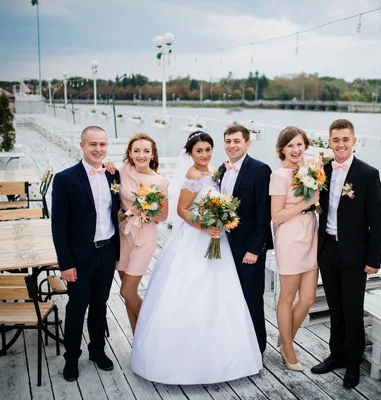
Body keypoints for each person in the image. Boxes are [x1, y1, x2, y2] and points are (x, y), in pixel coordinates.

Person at [131, 131, 262, 384]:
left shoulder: (215, 171)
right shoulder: (191, 175)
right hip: (196, 238)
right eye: (199, 151)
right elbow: (181, 210)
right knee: (191, 291)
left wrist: (220, 221)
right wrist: (205, 226)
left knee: (221, 295)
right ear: (190, 154)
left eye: (208, 149)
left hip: (217, 239)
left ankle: (228, 357)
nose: (204, 154)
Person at [310, 119, 381, 389]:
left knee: (353, 310)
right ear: (328, 142)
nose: (340, 145)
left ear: (355, 141)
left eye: (345, 139)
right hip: (328, 247)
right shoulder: (322, 171)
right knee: (335, 308)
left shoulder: (368, 174)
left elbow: (378, 221)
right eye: (335, 140)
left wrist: (373, 259)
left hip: (354, 253)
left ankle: (353, 363)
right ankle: (336, 355)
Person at [51, 125, 121, 382]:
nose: (98, 149)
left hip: (107, 251)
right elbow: (58, 225)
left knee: (100, 305)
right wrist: (66, 264)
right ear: (82, 145)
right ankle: (71, 357)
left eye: (102, 144)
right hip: (80, 257)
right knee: (77, 307)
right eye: (93, 144)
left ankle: (97, 351)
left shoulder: (113, 176)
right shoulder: (65, 178)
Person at [217, 124, 273, 354]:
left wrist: (255, 250)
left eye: (237, 141)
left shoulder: (260, 170)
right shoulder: (220, 169)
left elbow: (264, 213)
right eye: (228, 141)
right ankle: (234, 345)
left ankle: (257, 349)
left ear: (247, 143)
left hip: (248, 249)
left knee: (252, 299)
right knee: (228, 297)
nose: (232, 145)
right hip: (223, 245)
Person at [269, 127, 319, 371]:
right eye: (290, 146)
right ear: (282, 149)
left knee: (308, 298)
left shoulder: (308, 170)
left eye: (299, 144)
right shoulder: (279, 176)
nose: (296, 150)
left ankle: (284, 336)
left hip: (311, 232)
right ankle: (288, 349)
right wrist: (305, 204)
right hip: (289, 235)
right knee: (287, 297)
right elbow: (276, 215)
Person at [112, 133, 168, 333]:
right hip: (121, 236)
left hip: (144, 237)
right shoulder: (123, 170)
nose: (141, 155)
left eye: (146, 151)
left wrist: (145, 211)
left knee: (127, 290)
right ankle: (139, 344)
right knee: (128, 295)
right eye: (136, 150)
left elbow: (163, 215)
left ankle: (154, 334)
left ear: (153, 154)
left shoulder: (159, 181)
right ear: (129, 153)